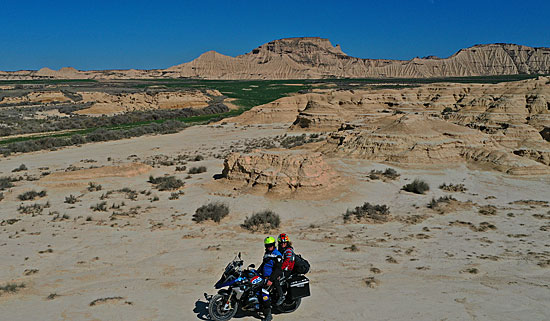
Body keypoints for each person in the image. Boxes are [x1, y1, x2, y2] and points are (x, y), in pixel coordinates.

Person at [258, 236, 284, 321]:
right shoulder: (266, 254)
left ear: (274, 245)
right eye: (267, 245)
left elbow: (278, 269)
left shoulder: (277, 254)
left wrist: (271, 280)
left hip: (272, 277)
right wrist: (256, 272)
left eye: (271, 245)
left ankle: (268, 315)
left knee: (265, 294)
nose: (269, 247)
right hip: (264, 276)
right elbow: (263, 265)